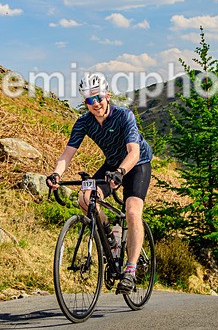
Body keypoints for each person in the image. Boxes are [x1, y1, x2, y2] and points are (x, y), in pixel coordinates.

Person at [46, 73, 153, 294]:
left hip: (136, 164)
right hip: (112, 164)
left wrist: (121, 173)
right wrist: (56, 174)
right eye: (89, 101)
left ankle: (130, 271)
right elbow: (68, 153)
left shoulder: (124, 116)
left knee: (132, 212)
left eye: (98, 98)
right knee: (85, 198)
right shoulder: (84, 122)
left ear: (107, 95)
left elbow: (133, 152)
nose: (95, 104)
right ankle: (111, 238)